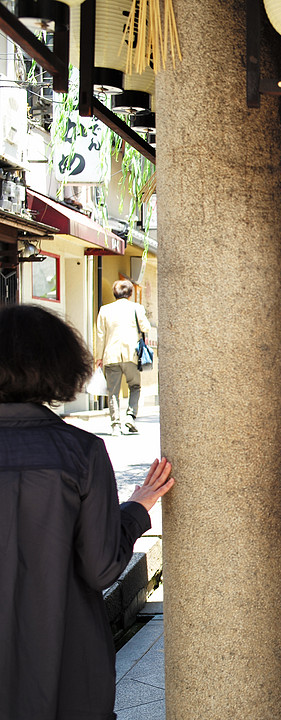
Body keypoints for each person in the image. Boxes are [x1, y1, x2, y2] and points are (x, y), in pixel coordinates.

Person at [0, 304, 174, 720]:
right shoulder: (80, 451)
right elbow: (100, 567)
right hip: (63, 655)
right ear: (61, 365)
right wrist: (136, 508)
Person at [94, 278, 152, 436]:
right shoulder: (136, 308)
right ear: (130, 293)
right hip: (131, 354)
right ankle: (130, 417)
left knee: (113, 391)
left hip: (110, 355)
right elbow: (146, 326)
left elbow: (100, 335)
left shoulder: (104, 310)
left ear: (114, 293)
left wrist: (98, 357)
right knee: (135, 386)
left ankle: (115, 425)